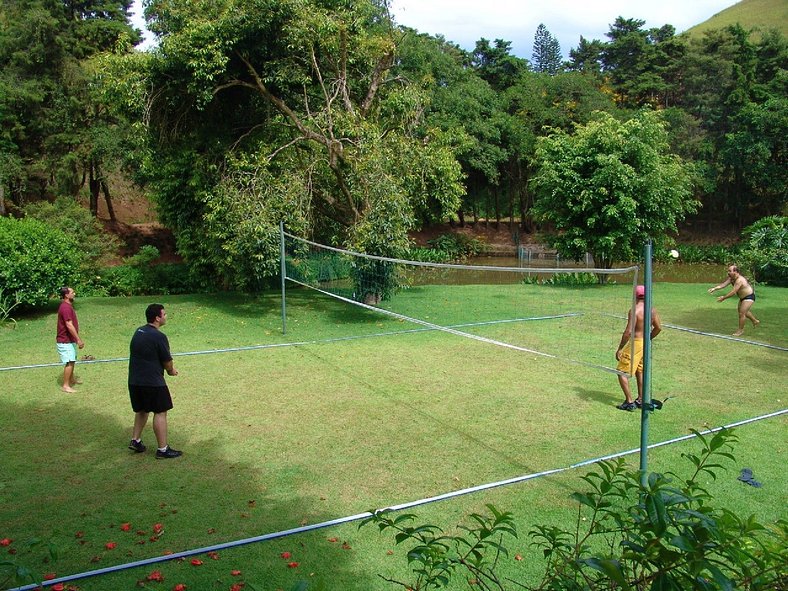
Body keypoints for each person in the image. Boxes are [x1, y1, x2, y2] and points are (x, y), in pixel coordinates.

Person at [127, 303, 182, 459]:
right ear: (157, 318)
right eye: (164, 314)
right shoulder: (159, 336)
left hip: (134, 381)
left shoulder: (138, 331)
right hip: (152, 382)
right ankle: (163, 449)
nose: (166, 316)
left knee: (142, 410)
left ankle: (135, 440)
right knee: (160, 411)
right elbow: (167, 362)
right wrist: (172, 371)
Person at [615, 285, 661, 411]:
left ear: (635, 296)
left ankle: (629, 402)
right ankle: (641, 399)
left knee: (621, 372)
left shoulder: (634, 310)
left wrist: (620, 348)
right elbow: (658, 328)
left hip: (635, 342)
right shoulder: (652, 310)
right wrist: (648, 339)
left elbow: (628, 332)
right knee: (639, 370)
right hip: (644, 343)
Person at [708, 264, 760, 336]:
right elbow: (723, 284)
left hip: (749, 297)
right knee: (744, 312)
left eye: (730, 271)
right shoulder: (731, 278)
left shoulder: (739, 280)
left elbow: (733, 292)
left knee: (742, 313)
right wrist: (714, 289)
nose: (728, 273)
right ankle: (755, 321)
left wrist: (723, 298)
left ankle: (740, 330)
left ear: (735, 272)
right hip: (742, 298)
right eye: (728, 271)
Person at [56, 286, 84, 393]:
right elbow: (69, 325)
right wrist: (78, 340)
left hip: (69, 340)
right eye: (72, 292)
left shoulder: (67, 306)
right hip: (65, 340)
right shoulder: (66, 308)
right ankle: (65, 385)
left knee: (72, 359)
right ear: (66, 295)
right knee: (69, 362)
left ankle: (71, 380)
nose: (74, 294)